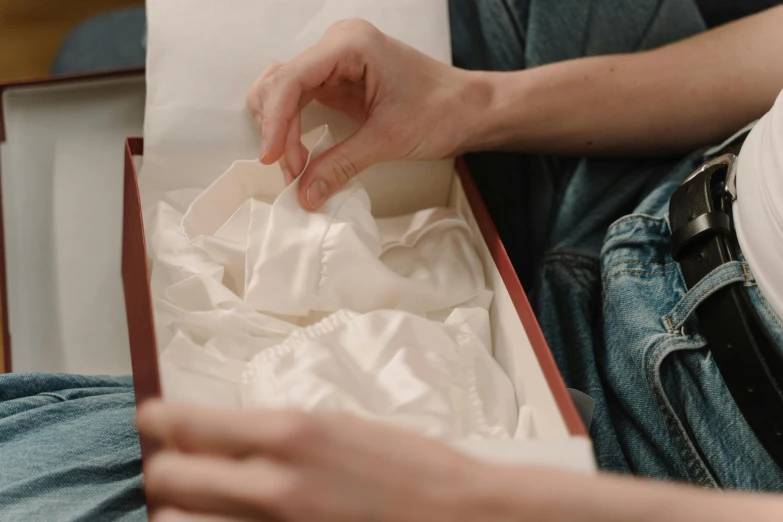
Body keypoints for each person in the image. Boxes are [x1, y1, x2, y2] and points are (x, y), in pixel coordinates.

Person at [2, 1, 783, 520]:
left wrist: (491, 498)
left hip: (686, 451)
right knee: (107, 52)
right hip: (670, 191)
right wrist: (475, 104)